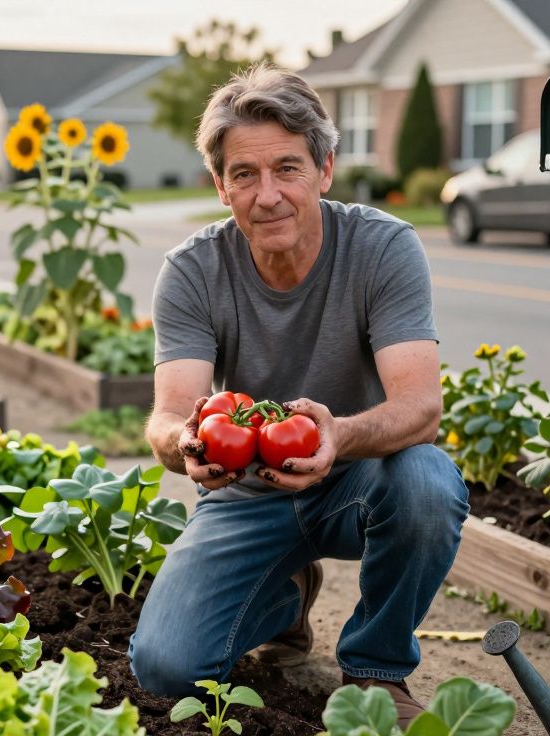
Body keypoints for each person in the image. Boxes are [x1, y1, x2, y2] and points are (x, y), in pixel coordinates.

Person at [129, 63, 469, 728]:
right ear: (221, 186)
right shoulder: (194, 271)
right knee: (167, 671)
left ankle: (375, 670)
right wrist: (185, 443)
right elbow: (170, 416)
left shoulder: (383, 249)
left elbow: (421, 409)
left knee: (429, 481)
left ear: (325, 169)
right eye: (245, 175)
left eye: (287, 168)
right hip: (248, 494)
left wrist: (336, 435)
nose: (268, 195)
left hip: (362, 483)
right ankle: (285, 598)